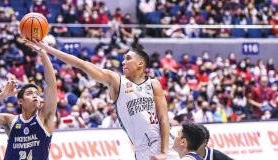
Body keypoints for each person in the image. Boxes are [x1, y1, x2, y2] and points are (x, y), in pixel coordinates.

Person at [26, 40, 180, 160]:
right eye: (123, 59)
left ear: (140, 63)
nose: (123, 62)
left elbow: (164, 119)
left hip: (163, 143)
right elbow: (82, 64)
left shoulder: (153, 84)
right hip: (141, 150)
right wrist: (48, 49)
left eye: (128, 58)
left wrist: (164, 152)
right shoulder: (116, 81)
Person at [0, 43, 57, 160]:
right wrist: (2, 95)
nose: (35, 96)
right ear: (20, 101)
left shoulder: (44, 117)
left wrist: (43, 54)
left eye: (37, 94)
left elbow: (51, 85)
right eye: (29, 93)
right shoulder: (10, 120)